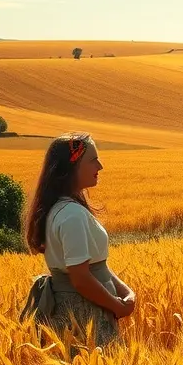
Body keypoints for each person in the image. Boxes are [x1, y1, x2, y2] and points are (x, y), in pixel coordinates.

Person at [20, 132, 135, 348]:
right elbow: (81, 278)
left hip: (82, 308)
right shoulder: (72, 215)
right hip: (85, 313)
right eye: (93, 160)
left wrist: (126, 292)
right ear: (72, 167)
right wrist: (117, 307)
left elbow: (95, 266)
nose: (100, 166)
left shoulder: (63, 209)